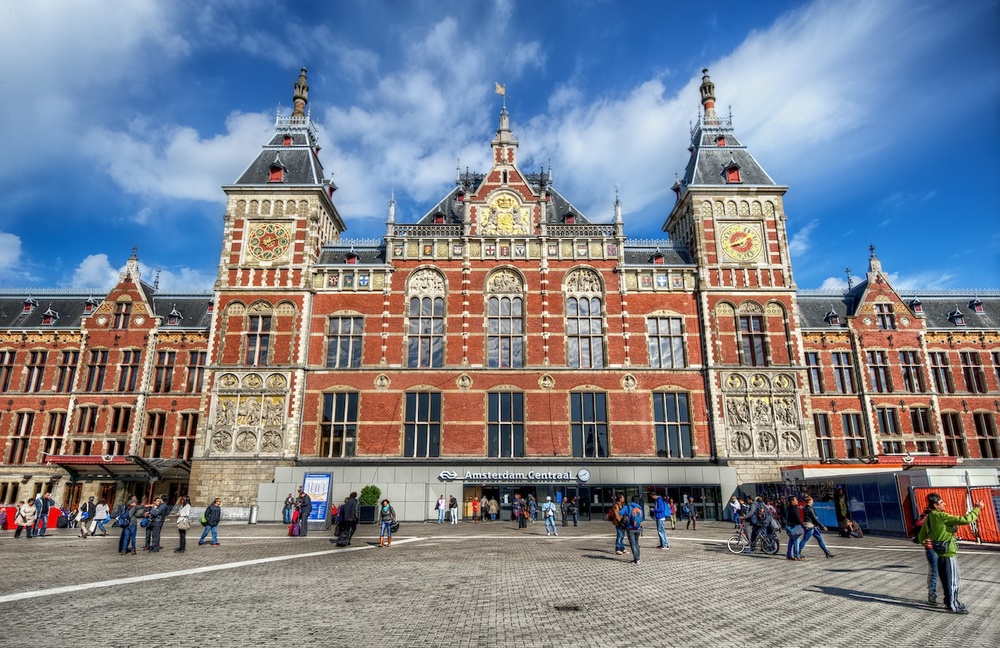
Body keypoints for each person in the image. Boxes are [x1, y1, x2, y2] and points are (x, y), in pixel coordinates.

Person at [916, 493, 984, 614]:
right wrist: (977, 509)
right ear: (936, 505)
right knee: (952, 580)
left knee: (945, 578)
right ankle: (953, 605)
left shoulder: (930, 516)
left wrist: (926, 542)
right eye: (942, 503)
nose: (944, 504)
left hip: (938, 552)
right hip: (947, 552)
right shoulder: (941, 515)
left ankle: (950, 601)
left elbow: (922, 534)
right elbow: (965, 520)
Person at [912, 502, 938, 605]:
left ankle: (935, 594)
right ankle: (932, 594)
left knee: (935, 572)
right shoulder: (929, 517)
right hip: (932, 547)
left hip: (936, 547)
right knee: (935, 572)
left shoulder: (927, 516)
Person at [620, 495, 644, 565]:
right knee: (636, 543)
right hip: (638, 528)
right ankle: (638, 557)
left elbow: (620, 513)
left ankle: (636, 559)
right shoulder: (639, 508)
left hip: (630, 528)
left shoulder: (628, 507)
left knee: (633, 544)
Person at [785, 496, 804, 561]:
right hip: (795, 527)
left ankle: (789, 554)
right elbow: (797, 518)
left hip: (790, 527)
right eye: (795, 500)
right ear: (792, 501)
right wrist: (802, 525)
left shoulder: (789, 508)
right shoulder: (793, 508)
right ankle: (796, 555)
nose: (797, 501)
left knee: (791, 540)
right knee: (796, 540)